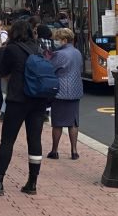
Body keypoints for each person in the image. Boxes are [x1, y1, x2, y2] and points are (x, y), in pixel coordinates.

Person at [0, 20, 48, 196]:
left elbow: (2, 71)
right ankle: (32, 182)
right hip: (38, 99)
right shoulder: (38, 48)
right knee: (35, 140)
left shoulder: (12, 49)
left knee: (7, 141)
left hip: (18, 99)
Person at [46, 28, 83, 160]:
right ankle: (74, 151)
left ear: (64, 40)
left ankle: (54, 150)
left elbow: (50, 69)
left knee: (58, 123)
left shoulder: (59, 54)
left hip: (61, 91)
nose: (56, 42)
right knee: (73, 122)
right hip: (75, 90)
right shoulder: (77, 52)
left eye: (57, 39)